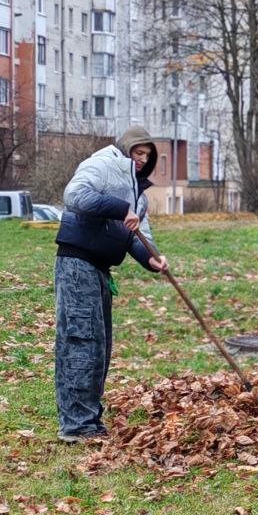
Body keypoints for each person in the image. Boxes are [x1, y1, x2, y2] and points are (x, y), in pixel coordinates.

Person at [53, 126, 168, 442]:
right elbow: (75, 196)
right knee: (82, 341)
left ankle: (89, 420)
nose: (143, 159)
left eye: (147, 155)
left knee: (100, 348)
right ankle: (76, 425)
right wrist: (120, 210)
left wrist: (152, 259)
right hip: (77, 265)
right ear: (126, 149)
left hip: (101, 269)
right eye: (138, 152)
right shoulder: (103, 163)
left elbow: (138, 236)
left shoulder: (138, 194)